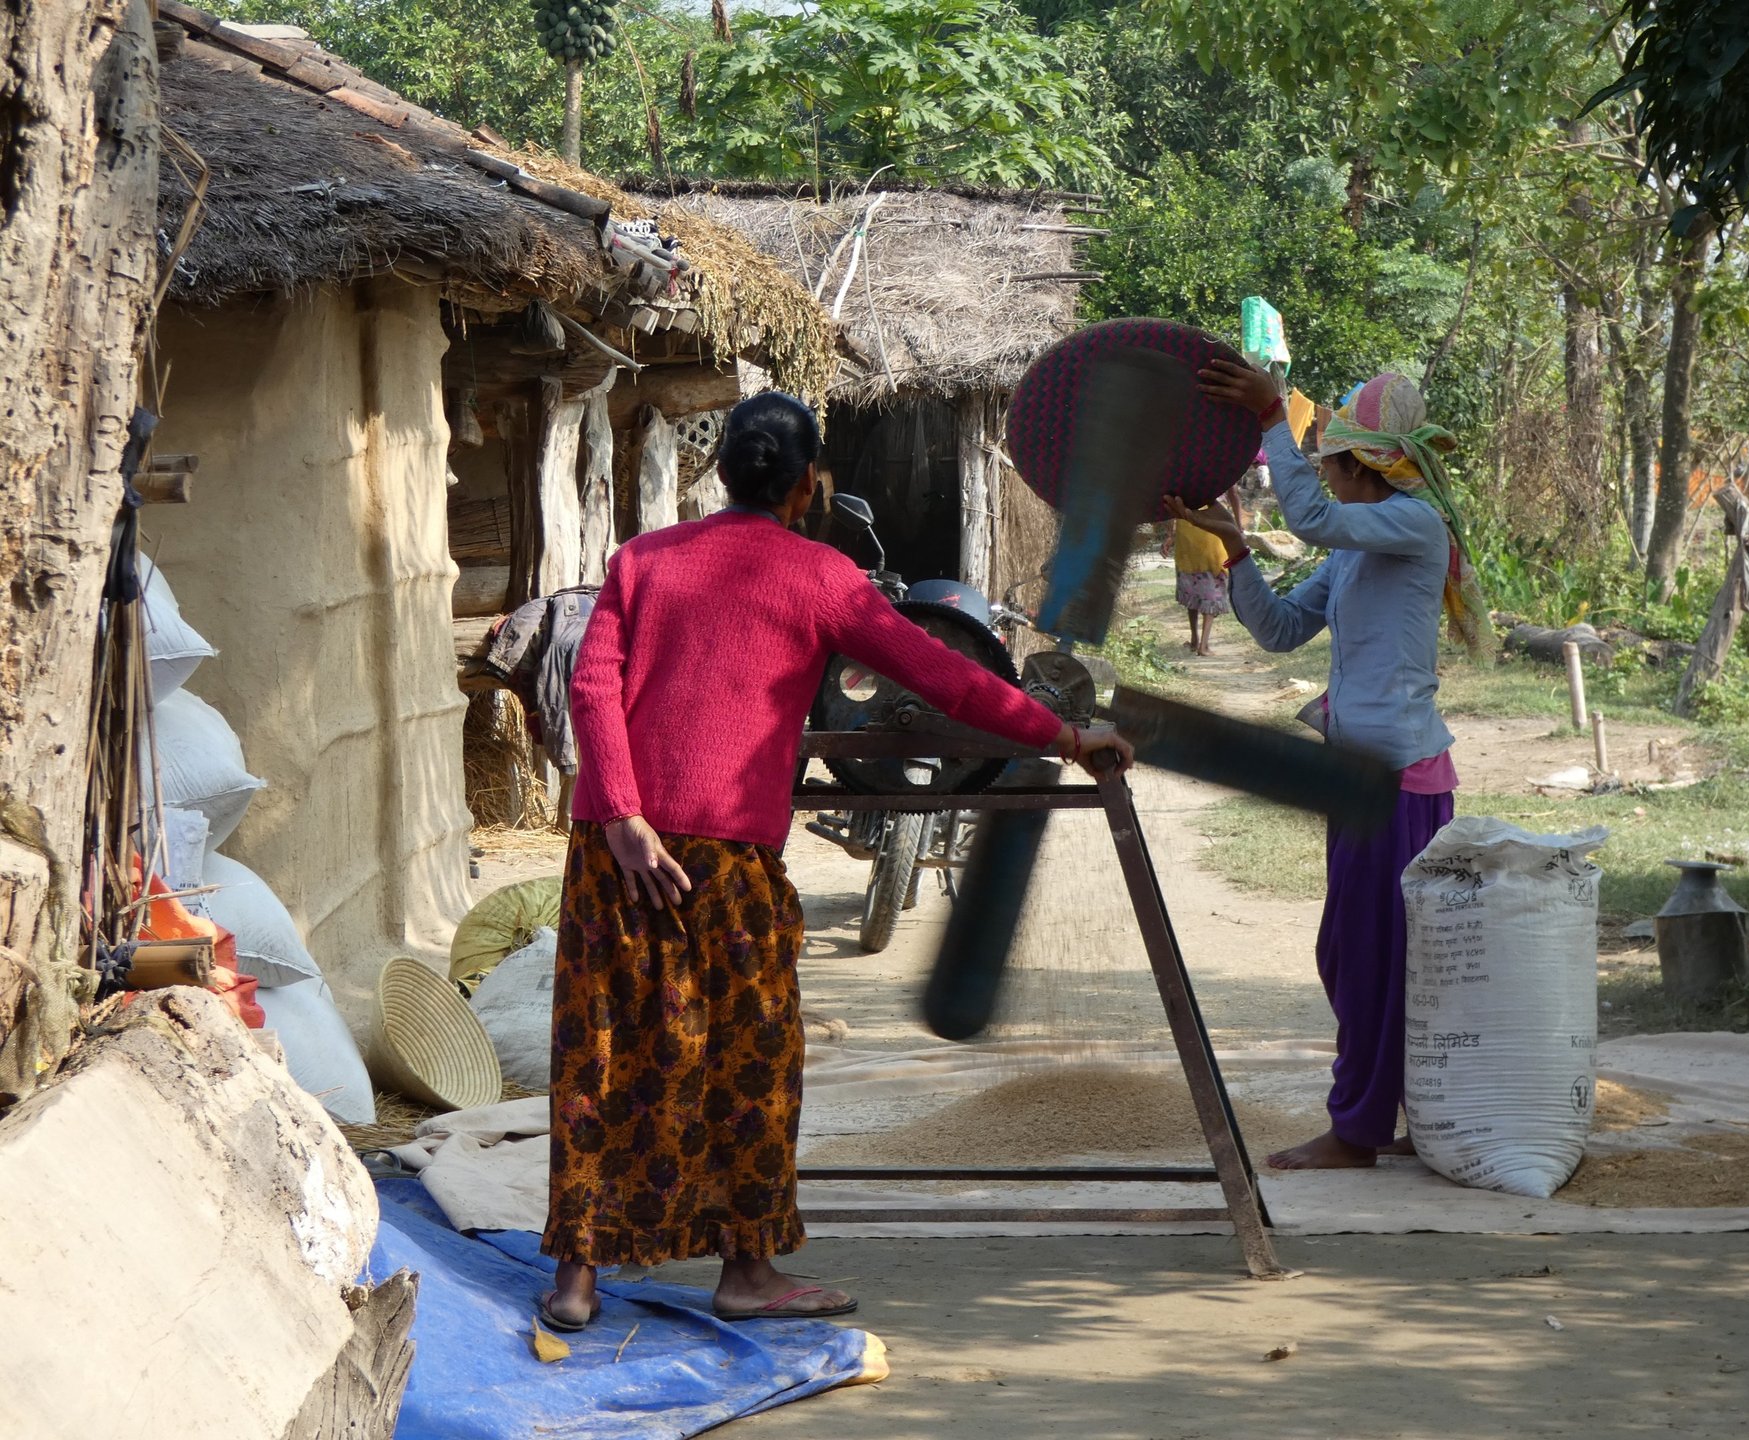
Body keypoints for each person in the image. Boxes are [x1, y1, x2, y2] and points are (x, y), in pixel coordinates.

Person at [541, 392, 1134, 1329]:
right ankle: (746, 1272)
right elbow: (941, 672)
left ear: (720, 472)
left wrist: (620, 815)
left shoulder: (642, 560)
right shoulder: (822, 575)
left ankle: (577, 1279)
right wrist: (1063, 734)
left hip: (614, 857)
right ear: (807, 484)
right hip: (728, 860)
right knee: (751, 1061)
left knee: (604, 1053)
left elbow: (590, 684)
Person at [1174, 363, 1493, 1171]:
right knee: (1358, 956)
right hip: (1361, 779)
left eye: (1329, 465)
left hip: (1396, 781)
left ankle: (1357, 1131)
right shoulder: (1358, 548)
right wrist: (1237, 550)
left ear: (1363, 468)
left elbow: (1310, 519)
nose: (1322, 478)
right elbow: (1281, 630)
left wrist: (1271, 417)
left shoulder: (1414, 523)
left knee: (1372, 960)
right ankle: (1409, 1115)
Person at [1166, 487, 1243, 655]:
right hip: (1212, 528)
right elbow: (1233, 494)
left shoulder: (1184, 473)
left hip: (1186, 527)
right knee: (1212, 584)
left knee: (1192, 584)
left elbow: (1170, 500)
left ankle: (1194, 639)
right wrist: (1239, 526)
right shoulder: (1222, 473)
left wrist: (1170, 535)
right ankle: (1204, 645)